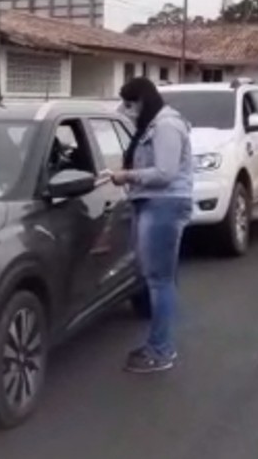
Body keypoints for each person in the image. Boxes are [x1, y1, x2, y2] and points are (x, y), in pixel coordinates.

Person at [110, 77, 194, 373]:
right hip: (154, 202)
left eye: (130, 103)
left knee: (160, 281)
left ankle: (161, 351)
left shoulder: (166, 125)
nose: (127, 109)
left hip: (165, 203)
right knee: (158, 278)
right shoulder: (153, 124)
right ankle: (158, 344)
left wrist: (128, 176)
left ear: (143, 100)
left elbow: (165, 172)